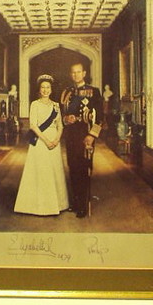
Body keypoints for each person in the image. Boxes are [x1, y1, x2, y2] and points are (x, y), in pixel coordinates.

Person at [14, 74, 69, 216]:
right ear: (39, 90)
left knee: (54, 171)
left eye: (48, 87)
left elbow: (60, 126)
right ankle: (39, 206)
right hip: (40, 141)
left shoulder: (56, 106)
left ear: (51, 89)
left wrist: (56, 140)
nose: (45, 90)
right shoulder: (35, 104)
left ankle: (58, 204)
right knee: (41, 171)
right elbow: (33, 125)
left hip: (54, 142)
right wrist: (46, 141)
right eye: (43, 87)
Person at [60, 62, 103, 218]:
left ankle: (83, 205)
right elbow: (61, 114)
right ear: (70, 74)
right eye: (73, 72)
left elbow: (100, 118)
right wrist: (66, 119)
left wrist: (92, 135)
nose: (76, 75)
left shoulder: (94, 91)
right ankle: (76, 202)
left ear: (84, 73)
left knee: (83, 169)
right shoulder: (67, 92)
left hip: (85, 134)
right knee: (72, 167)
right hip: (71, 134)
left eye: (79, 72)